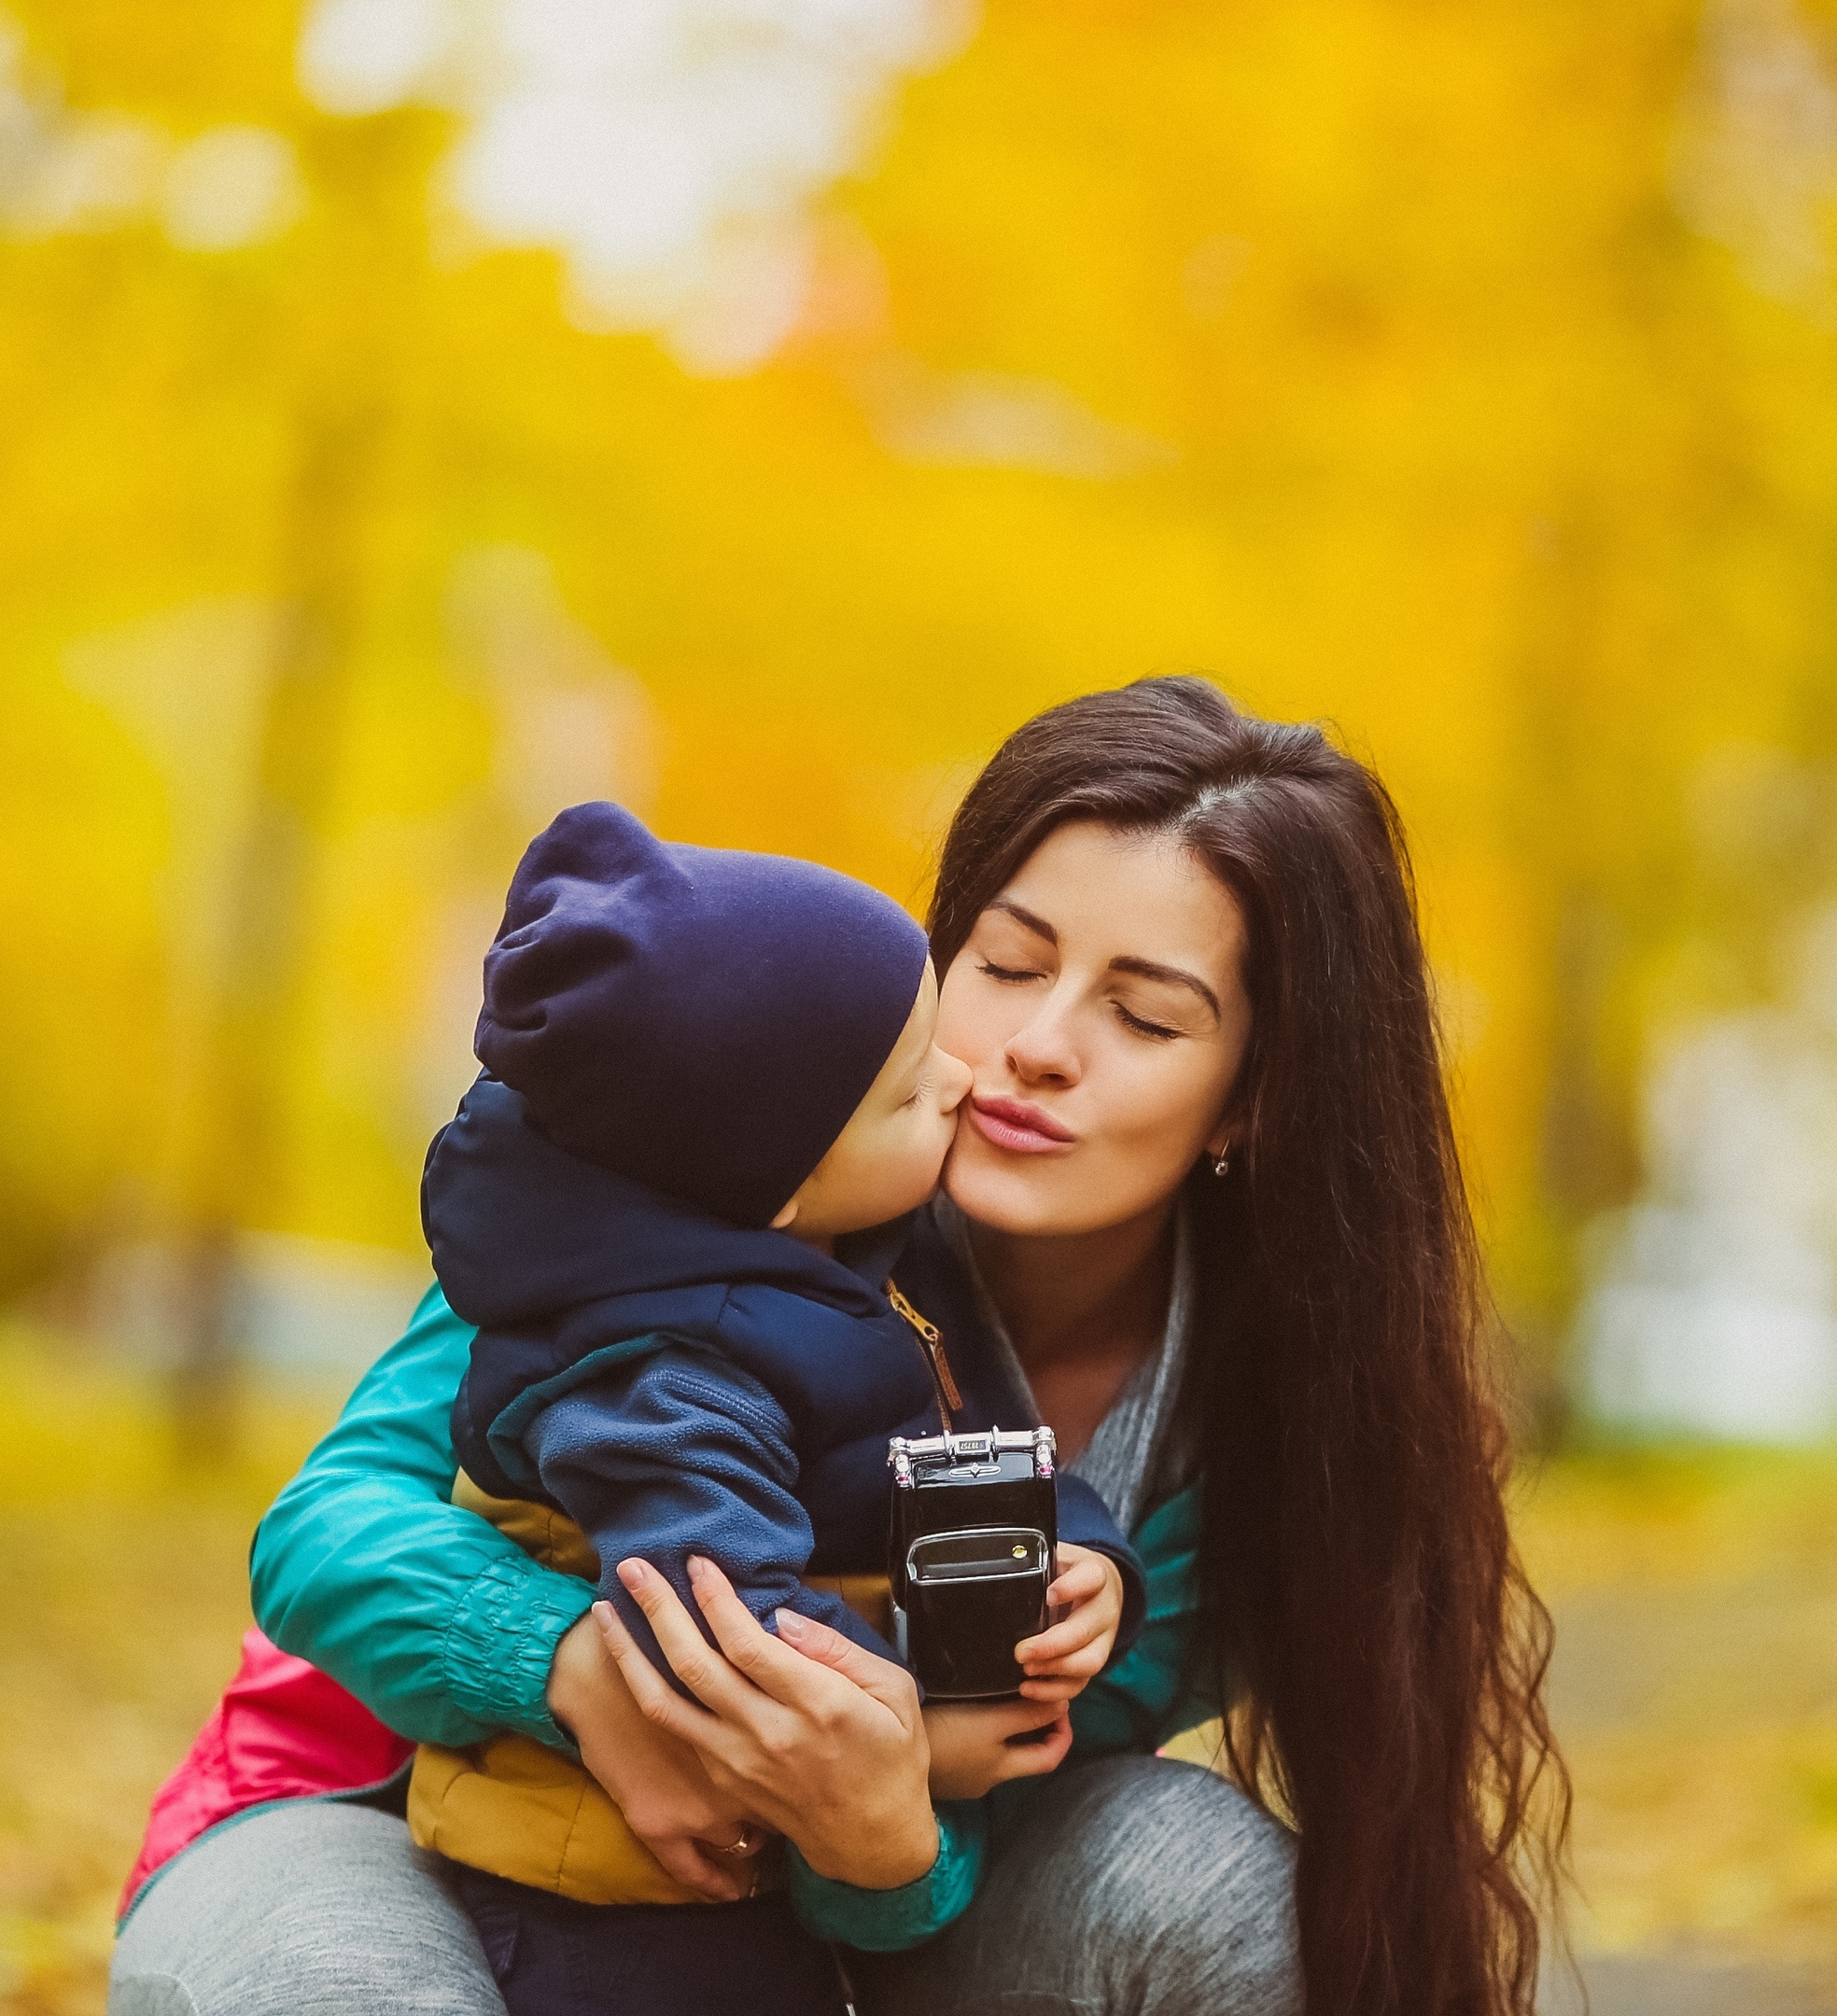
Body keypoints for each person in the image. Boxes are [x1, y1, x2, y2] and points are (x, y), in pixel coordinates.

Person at [111, 677, 1567, 2016]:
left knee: (1212, 1886)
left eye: (1140, 1014)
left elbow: (962, 1819)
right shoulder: (709, 1186)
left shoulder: (1249, 1462)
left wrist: (876, 1830)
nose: (1038, 1045)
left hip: (803, 1928)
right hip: (374, 1814)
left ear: (1255, 1102)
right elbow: (325, 1531)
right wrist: (583, 1670)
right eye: (1007, 962)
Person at [406, 802, 1141, 2015]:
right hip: (609, 1893)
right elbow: (721, 1633)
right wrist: (912, 1736)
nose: (963, 1078)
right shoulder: (663, 1383)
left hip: (762, 1867)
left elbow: (961, 1451)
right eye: (910, 1093)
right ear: (782, 1194)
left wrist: (1084, 1551)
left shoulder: (860, 1255)